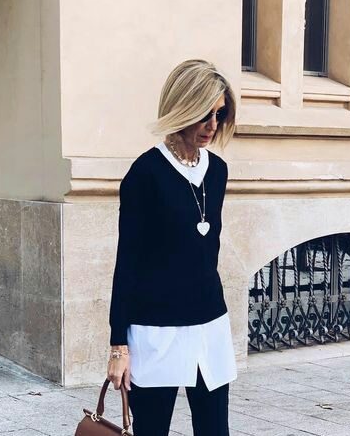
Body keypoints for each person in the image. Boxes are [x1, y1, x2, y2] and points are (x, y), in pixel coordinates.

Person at [107, 59, 238, 436]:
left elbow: (208, 252)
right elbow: (127, 263)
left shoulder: (218, 171)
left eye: (219, 114)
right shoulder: (145, 174)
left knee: (215, 430)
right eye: (204, 114)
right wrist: (119, 346)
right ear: (182, 109)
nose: (212, 125)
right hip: (156, 330)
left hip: (209, 325)